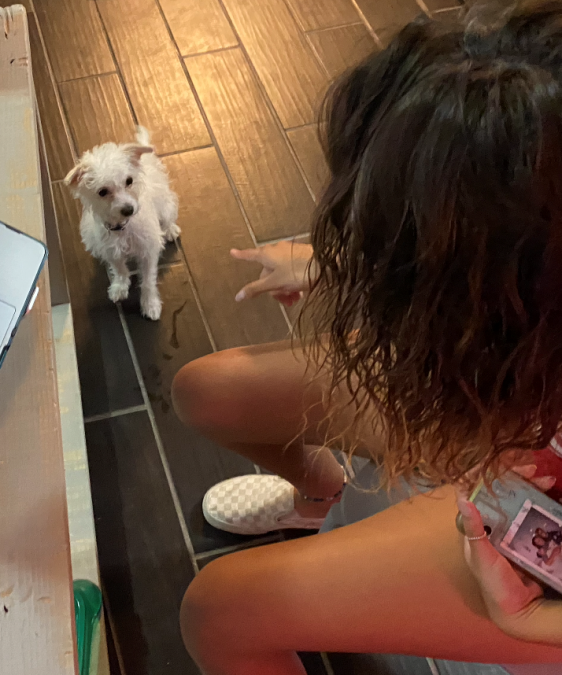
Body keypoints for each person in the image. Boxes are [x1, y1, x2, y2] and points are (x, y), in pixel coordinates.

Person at [172, 3, 562, 673]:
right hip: (514, 413)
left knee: (220, 608)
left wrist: (536, 621)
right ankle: (321, 496)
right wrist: (349, 265)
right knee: (207, 390)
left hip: (539, 518)